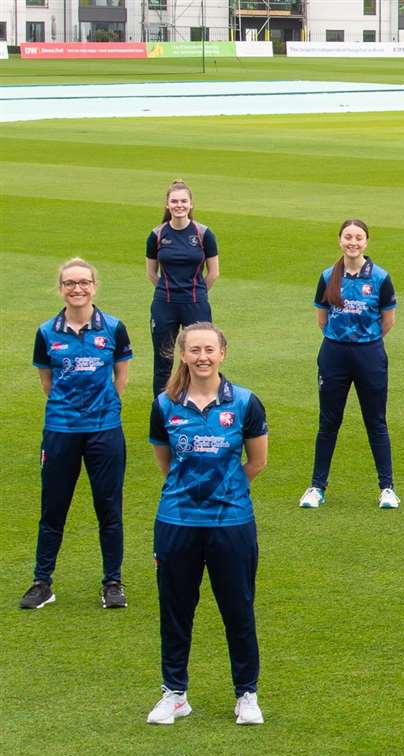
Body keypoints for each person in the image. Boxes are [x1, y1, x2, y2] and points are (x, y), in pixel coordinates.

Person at [144, 322, 269, 726]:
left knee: (238, 608)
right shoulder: (165, 404)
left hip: (231, 522)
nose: (202, 357)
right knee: (176, 609)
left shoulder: (246, 403)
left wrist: (224, 490)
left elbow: (257, 462)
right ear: (182, 354)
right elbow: (166, 464)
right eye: (194, 350)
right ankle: (175, 693)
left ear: (222, 354)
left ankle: (246, 694)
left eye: (209, 350)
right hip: (177, 521)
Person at [22, 258, 134, 611]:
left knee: (109, 509)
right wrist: (70, 411)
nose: (77, 288)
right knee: (53, 509)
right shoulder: (46, 332)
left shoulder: (114, 328)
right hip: (60, 430)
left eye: (84, 282)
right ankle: (43, 582)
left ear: (94, 286)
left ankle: (112, 582)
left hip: (105, 431)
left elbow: (121, 378)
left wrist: (101, 409)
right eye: (70, 283)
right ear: (61, 289)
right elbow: (47, 382)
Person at [299, 219, 398, 511]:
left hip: (369, 355)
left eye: (358, 238)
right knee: (328, 422)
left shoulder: (380, 277)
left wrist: (363, 341)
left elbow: (387, 321)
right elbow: (321, 319)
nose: (353, 242)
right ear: (340, 240)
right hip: (334, 354)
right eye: (348, 237)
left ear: (366, 242)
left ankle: (387, 488)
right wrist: (342, 340)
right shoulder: (329, 275)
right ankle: (317, 487)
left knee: (376, 421)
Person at [145, 179, 220, 398]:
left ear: (191, 204)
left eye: (183, 201)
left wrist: (196, 292)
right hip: (164, 304)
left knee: (200, 358)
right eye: (174, 201)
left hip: (195, 304)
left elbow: (213, 272)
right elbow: (151, 272)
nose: (179, 205)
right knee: (163, 359)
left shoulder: (203, 234)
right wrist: (167, 291)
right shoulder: (157, 234)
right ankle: (161, 410)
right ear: (167, 205)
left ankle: (199, 403)